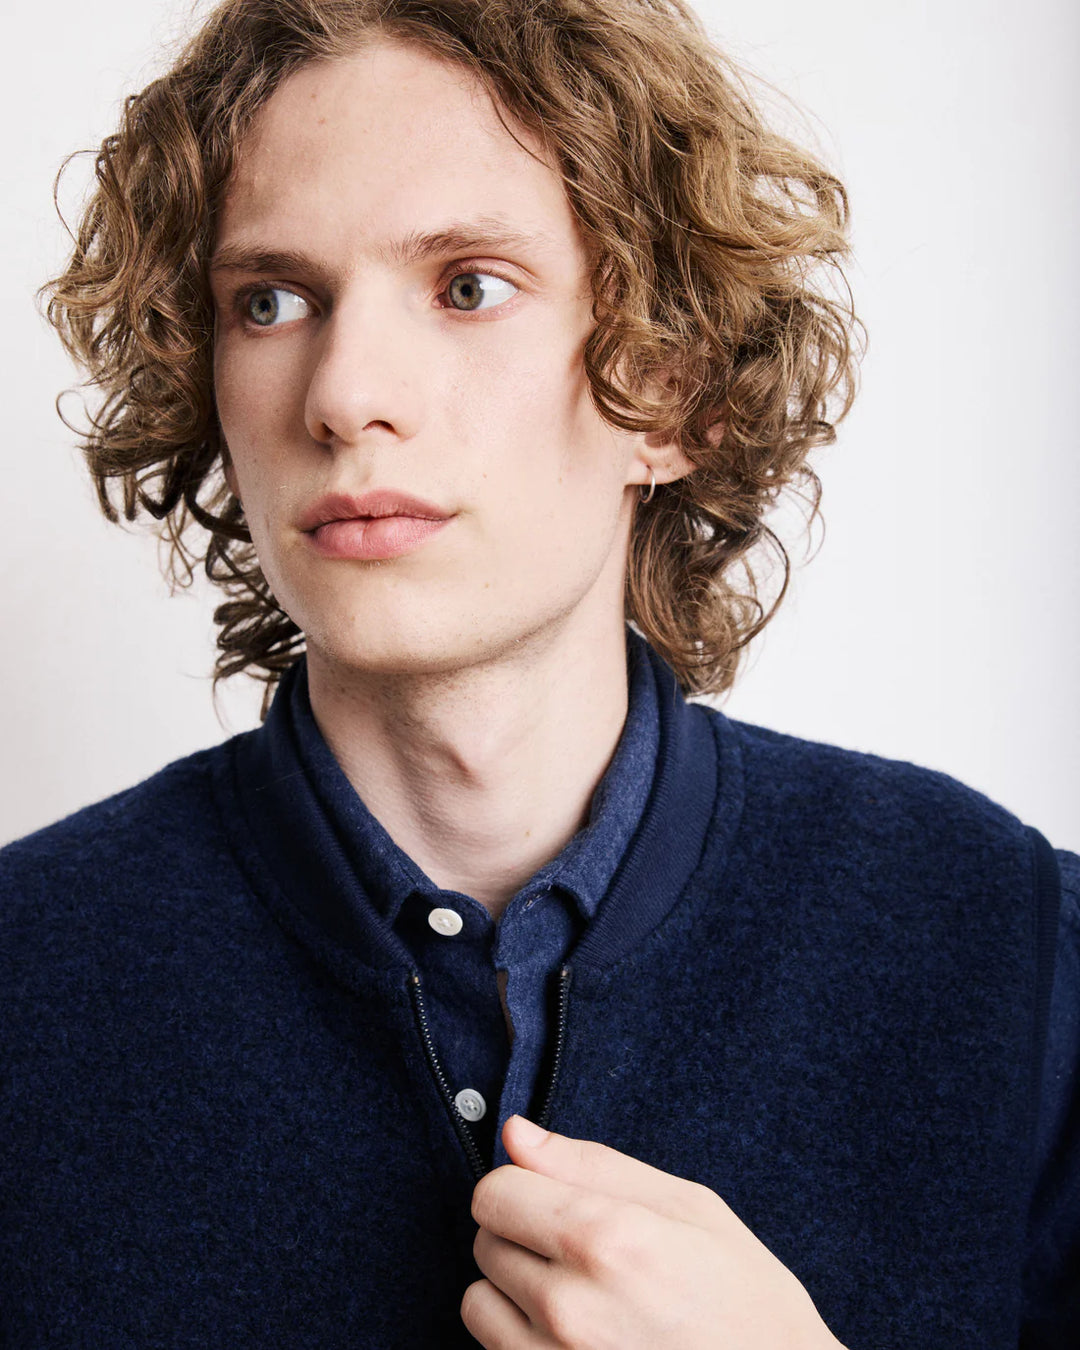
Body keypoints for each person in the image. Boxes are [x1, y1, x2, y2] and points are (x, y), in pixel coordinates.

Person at [1, 0, 1075, 1344]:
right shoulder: (23, 986)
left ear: (675, 387)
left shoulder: (1009, 944)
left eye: (467, 286)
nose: (343, 392)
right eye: (269, 300)